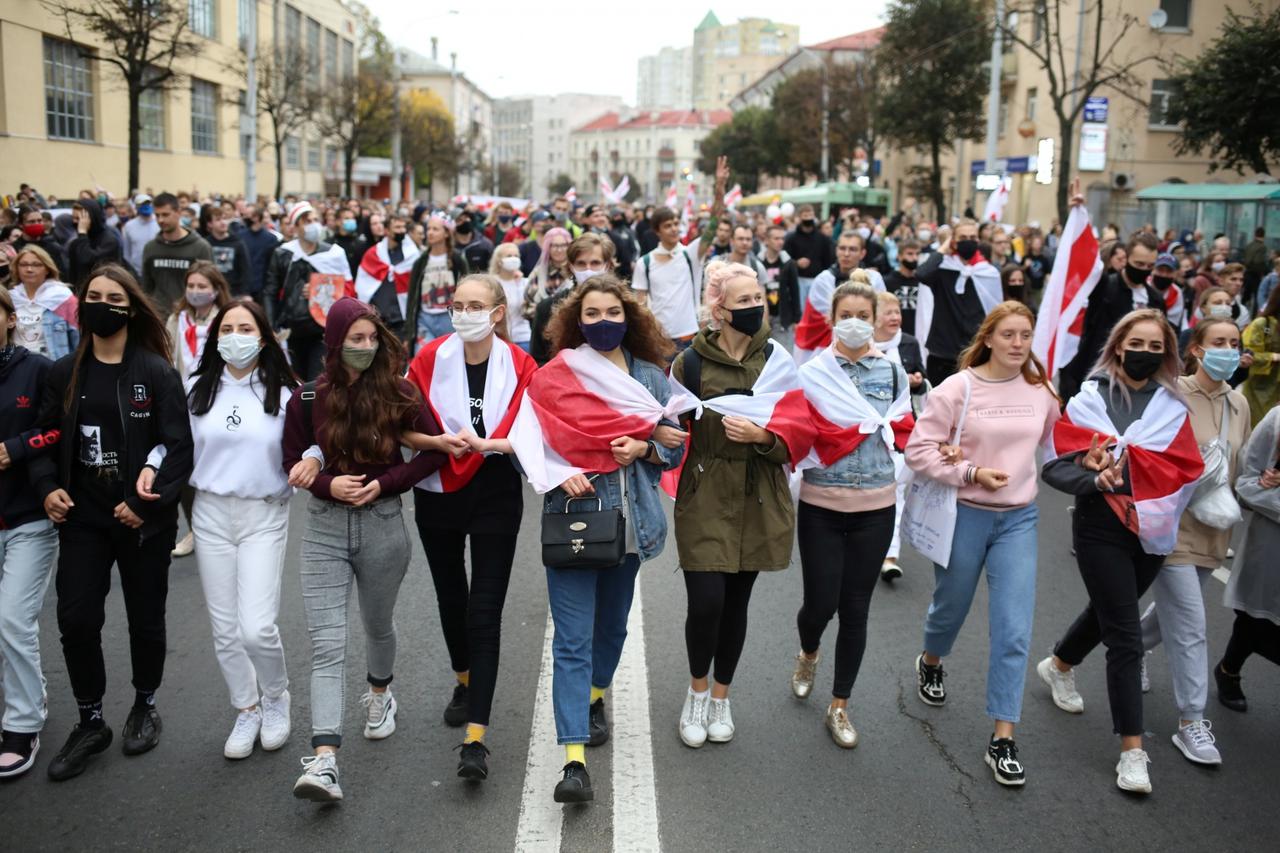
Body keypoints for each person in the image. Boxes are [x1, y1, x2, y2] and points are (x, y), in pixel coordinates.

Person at [507, 274, 684, 803]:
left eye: (612, 313)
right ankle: (574, 761)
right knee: (572, 640)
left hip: (631, 525)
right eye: (591, 315)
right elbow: (527, 441)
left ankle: (593, 693)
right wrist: (559, 472)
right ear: (574, 322)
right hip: (576, 518)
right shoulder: (557, 376)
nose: (602, 322)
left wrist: (644, 450)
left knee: (611, 631)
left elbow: (674, 449)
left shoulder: (654, 380)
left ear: (628, 317)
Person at [29, 264, 193, 781]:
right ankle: (91, 719)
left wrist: (146, 504)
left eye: (112, 296)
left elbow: (181, 449)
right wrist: (47, 487)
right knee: (76, 619)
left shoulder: (155, 372)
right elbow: (42, 440)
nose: (101, 304)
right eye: (93, 296)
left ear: (129, 307)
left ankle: (145, 704)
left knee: (146, 619)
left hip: (141, 522)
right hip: (82, 519)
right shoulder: (64, 373)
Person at [282, 297, 446, 804]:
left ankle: (380, 694)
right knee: (327, 644)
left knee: (378, 625)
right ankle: (325, 759)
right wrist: (326, 485)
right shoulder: (307, 398)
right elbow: (291, 458)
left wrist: (388, 483)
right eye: (356, 339)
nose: (366, 347)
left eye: (373, 338)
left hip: (383, 526)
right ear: (334, 342)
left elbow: (432, 448)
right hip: (325, 531)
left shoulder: (399, 392)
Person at [1038, 309, 1203, 795]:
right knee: (1125, 637)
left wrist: (1148, 481)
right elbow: (1055, 466)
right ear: (1117, 345)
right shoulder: (1090, 400)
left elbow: (1186, 470)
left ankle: (1059, 665)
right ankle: (1133, 752)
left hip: (1152, 533)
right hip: (1099, 528)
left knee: (1111, 611)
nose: (1145, 354)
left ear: (1167, 354)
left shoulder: (1173, 408)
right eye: (1138, 343)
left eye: (1157, 347)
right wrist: (1094, 477)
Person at [905, 301, 1060, 787]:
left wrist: (1092, 460)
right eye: (1009, 335)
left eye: (1026, 335)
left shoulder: (1042, 392)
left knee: (1013, 630)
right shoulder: (959, 388)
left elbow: (1060, 448)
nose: (1018, 344)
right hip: (966, 515)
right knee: (950, 607)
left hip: (1019, 519)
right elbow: (917, 449)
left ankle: (1003, 738)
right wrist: (967, 469)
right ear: (989, 338)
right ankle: (931, 660)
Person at [138, 299, 299, 760]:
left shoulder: (285, 391)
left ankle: (275, 697)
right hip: (209, 513)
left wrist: (314, 464)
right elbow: (172, 441)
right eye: (226, 328)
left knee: (256, 627)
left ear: (263, 336)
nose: (235, 335)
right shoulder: (195, 388)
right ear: (215, 337)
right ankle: (245, 707)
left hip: (263, 513)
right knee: (226, 628)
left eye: (245, 327)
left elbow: (309, 445)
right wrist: (152, 465)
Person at [404, 275, 537, 781]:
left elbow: (531, 429)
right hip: (438, 488)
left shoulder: (521, 364)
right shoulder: (428, 357)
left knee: (485, 611)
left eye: (475, 305)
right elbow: (402, 427)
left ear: (498, 313)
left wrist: (490, 446)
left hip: (496, 491)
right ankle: (464, 678)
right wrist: (439, 443)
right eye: (457, 305)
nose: (464, 313)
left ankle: (476, 739)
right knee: (450, 598)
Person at [670, 263, 804, 749]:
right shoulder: (689, 363)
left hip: (759, 493)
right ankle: (697, 692)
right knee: (706, 602)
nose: (753, 308)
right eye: (742, 301)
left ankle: (722, 697)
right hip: (704, 489)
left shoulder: (777, 360)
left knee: (736, 604)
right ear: (719, 310)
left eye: (758, 299)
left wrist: (765, 436)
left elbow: (800, 433)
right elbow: (672, 425)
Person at [791, 280, 911, 748]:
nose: (856, 322)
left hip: (876, 505)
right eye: (848, 314)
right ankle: (808, 650)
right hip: (822, 503)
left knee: (856, 608)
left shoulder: (892, 373)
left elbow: (904, 429)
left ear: (877, 317)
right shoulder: (813, 373)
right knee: (820, 603)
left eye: (865, 313)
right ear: (832, 317)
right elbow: (797, 431)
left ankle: (839, 705)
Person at [1130, 318, 1250, 766]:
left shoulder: (1239, 404)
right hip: (1171, 527)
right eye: (1218, 342)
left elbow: (1241, 465)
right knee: (1191, 625)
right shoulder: (1171, 394)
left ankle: (1133, 646)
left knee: (1175, 611)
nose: (1229, 350)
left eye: (1235, 344)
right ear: (1196, 349)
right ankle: (1191, 721)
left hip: (1214, 528)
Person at [0, 285, 59, 778]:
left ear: (9, 318)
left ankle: (23, 720)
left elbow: (60, 426)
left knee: (12, 619)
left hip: (28, 519)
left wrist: (18, 447)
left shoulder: (35, 369)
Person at [1215, 404, 1280, 711]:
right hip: (1271, 544)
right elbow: (1245, 483)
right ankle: (1229, 670)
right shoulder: (1277, 419)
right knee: (1255, 619)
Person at [634, 157, 729, 351]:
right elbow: (640, 304)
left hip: (688, 338)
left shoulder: (690, 254)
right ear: (657, 231)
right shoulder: (644, 263)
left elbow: (714, 222)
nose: (674, 229)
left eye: (676, 223)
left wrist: (719, 187)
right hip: (658, 339)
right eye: (668, 225)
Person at [1059, 232, 1162, 400]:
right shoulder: (1105, 287)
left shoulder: (1155, 298)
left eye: (1149, 266)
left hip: (1135, 378)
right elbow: (1080, 262)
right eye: (1139, 263)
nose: (1144, 270)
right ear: (1126, 259)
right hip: (1095, 374)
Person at [266, 202, 354, 382]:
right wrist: (270, 324)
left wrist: (320, 289)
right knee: (295, 380)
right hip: (291, 329)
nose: (313, 224)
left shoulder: (333, 254)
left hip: (322, 330)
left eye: (315, 219)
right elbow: (270, 291)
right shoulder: (283, 253)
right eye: (307, 221)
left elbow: (348, 290)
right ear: (296, 226)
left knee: (317, 381)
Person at [872, 290, 926, 580]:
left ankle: (890, 555)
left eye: (897, 312)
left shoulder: (909, 343)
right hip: (869, 431)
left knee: (897, 493)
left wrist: (916, 381)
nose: (895, 318)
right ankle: (865, 545)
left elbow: (921, 379)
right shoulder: (860, 345)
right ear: (873, 317)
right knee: (872, 493)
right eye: (888, 312)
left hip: (903, 431)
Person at [913, 219, 1004, 386]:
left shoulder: (988, 272)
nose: (968, 241)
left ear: (978, 240)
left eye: (972, 237)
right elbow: (921, 274)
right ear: (953, 241)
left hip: (975, 351)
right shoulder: (943, 269)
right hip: (942, 352)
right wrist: (943, 249)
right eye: (962, 237)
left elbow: (997, 312)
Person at [529, 233, 615, 365]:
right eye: (581, 264)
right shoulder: (547, 308)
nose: (588, 270)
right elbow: (538, 360)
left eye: (595, 263)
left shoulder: (622, 305)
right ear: (571, 267)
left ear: (607, 266)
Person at [405, 215, 469, 353]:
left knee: (450, 358)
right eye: (428, 229)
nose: (430, 233)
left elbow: (467, 288)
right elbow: (412, 297)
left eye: (435, 229)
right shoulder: (420, 262)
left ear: (446, 233)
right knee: (422, 356)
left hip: (449, 318)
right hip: (425, 318)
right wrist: (409, 331)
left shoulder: (457, 260)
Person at [140, 193, 213, 313]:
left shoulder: (200, 247)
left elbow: (210, 286)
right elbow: (147, 287)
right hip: (159, 316)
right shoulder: (151, 248)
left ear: (178, 212)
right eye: (157, 215)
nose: (161, 220)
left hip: (189, 316)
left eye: (165, 214)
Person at [11, 246, 79, 361]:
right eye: (23, 264)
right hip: (16, 366)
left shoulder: (63, 298)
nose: (29, 269)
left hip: (52, 366)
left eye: (36, 264)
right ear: (16, 269)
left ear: (47, 269)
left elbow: (78, 340)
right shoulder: (10, 298)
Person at [1240, 285, 1280, 427]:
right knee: (1258, 428)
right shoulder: (1262, 324)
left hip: (1277, 390)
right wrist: (1274, 357)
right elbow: (1248, 355)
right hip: (1259, 389)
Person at [784, 204, 835, 311]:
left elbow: (828, 260)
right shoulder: (791, 238)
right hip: (798, 279)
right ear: (799, 217)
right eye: (805, 215)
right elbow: (785, 258)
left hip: (818, 278)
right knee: (800, 309)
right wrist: (796, 263)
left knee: (818, 309)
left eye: (810, 215)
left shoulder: (823, 239)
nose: (808, 218)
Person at [66, 199, 122, 288]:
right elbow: (73, 274)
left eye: (79, 219)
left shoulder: (109, 240)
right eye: (73, 218)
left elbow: (88, 259)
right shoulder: (77, 242)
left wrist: (82, 233)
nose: (75, 222)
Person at [198, 204, 251, 298]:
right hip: (210, 292)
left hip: (233, 293)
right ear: (210, 224)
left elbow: (245, 270)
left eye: (224, 219)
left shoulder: (238, 242)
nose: (223, 222)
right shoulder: (205, 243)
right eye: (218, 220)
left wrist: (245, 293)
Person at [757, 224, 799, 329]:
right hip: (762, 314)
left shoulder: (788, 263)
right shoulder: (758, 262)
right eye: (776, 238)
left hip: (782, 317)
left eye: (782, 238)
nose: (780, 242)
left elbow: (795, 290)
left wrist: (797, 318)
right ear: (766, 240)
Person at [490, 243, 531, 352]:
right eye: (509, 256)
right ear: (499, 260)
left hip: (524, 337)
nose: (513, 259)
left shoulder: (526, 283)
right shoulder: (491, 283)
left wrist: (519, 286)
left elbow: (527, 308)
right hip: (498, 338)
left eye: (516, 256)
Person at [14, 205, 69, 280]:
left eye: (39, 221)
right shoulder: (14, 248)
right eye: (32, 222)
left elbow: (62, 275)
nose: (37, 224)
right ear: (20, 224)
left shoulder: (52, 246)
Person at [239, 205, 280, 305]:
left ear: (256, 217)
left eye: (249, 215)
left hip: (262, 289)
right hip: (243, 288)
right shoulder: (240, 236)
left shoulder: (271, 239)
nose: (245, 217)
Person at [883, 239, 921, 334]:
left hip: (918, 332)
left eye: (917, 254)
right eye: (910, 254)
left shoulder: (923, 282)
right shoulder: (887, 282)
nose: (914, 258)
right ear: (899, 256)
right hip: (894, 332)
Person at [121, 194, 159, 277]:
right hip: (137, 272)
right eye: (142, 204)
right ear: (136, 207)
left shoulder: (159, 223)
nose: (146, 206)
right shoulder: (129, 226)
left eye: (148, 203)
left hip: (157, 271)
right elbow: (127, 252)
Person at [332, 208, 369, 278]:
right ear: (338, 222)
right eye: (347, 218)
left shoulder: (361, 244)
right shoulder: (329, 244)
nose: (351, 221)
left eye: (352, 218)